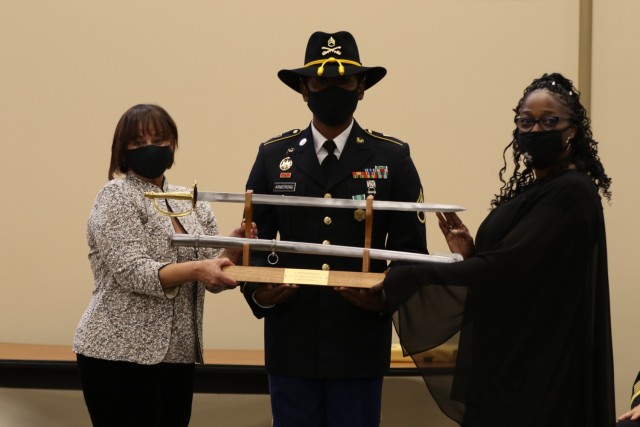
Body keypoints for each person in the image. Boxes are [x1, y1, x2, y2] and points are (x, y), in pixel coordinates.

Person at [374, 73, 615, 426]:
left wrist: (402, 278)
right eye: (525, 121)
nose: (535, 131)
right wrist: (470, 254)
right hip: (508, 359)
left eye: (549, 121)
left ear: (572, 130)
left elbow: (504, 268)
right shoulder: (536, 190)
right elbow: (514, 272)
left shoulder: (572, 193)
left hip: (542, 368)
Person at [241, 31, 428, 426]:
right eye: (320, 81)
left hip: (358, 337)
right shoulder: (274, 155)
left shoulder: (391, 156)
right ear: (303, 90)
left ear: (361, 88)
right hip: (291, 335)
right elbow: (250, 238)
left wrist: (385, 296)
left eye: (343, 80)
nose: (331, 89)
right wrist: (260, 291)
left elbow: (411, 250)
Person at [73, 104, 256, 427]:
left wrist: (234, 244)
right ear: (123, 151)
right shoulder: (116, 195)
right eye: (139, 142)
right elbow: (133, 271)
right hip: (117, 352)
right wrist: (200, 270)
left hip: (178, 353)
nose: (151, 147)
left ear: (173, 144)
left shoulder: (191, 198)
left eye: (160, 139)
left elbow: (212, 270)